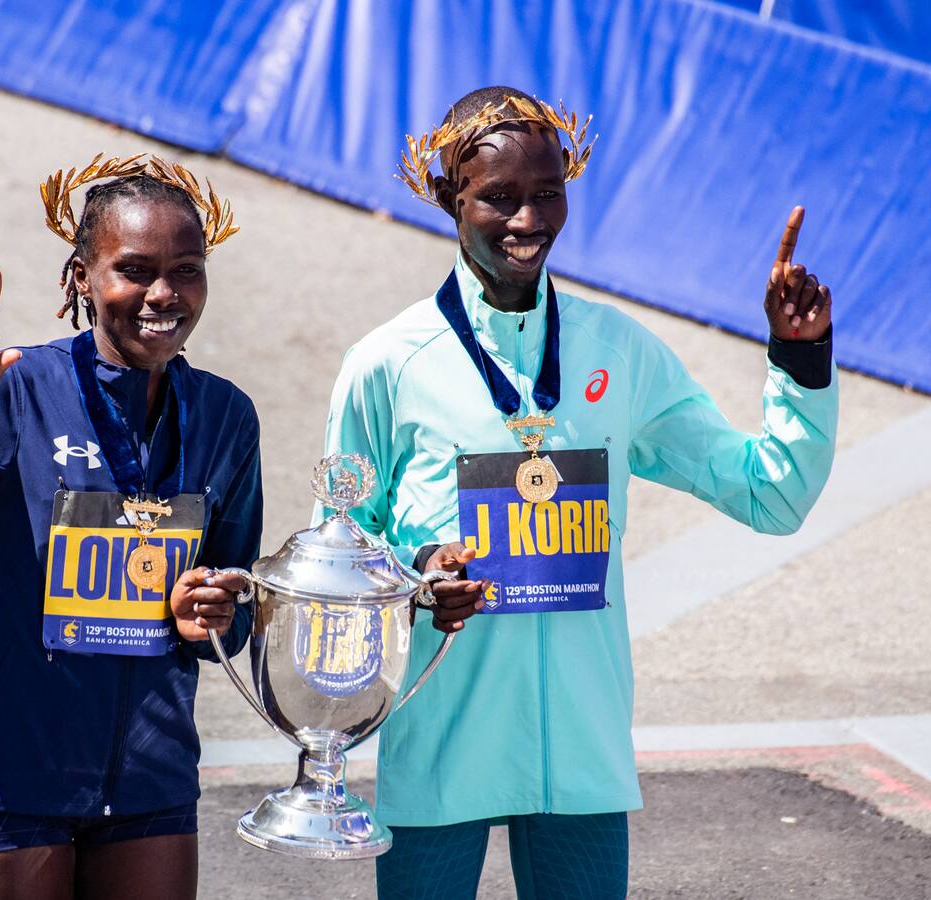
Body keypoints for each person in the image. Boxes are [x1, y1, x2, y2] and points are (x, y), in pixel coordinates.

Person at [320, 87, 837, 898]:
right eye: (499, 197)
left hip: (581, 761)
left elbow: (770, 494)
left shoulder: (617, 351)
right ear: (449, 196)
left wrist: (800, 359)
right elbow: (332, 557)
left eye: (547, 192)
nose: (528, 220)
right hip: (440, 745)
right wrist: (418, 576)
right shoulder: (386, 364)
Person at [0, 154, 260, 900]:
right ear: (82, 278)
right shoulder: (14, 388)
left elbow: (235, 608)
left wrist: (215, 612)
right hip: (13, 782)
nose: (163, 294)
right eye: (134, 270)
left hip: (152, 785)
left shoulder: (226, 415)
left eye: (186, 271)